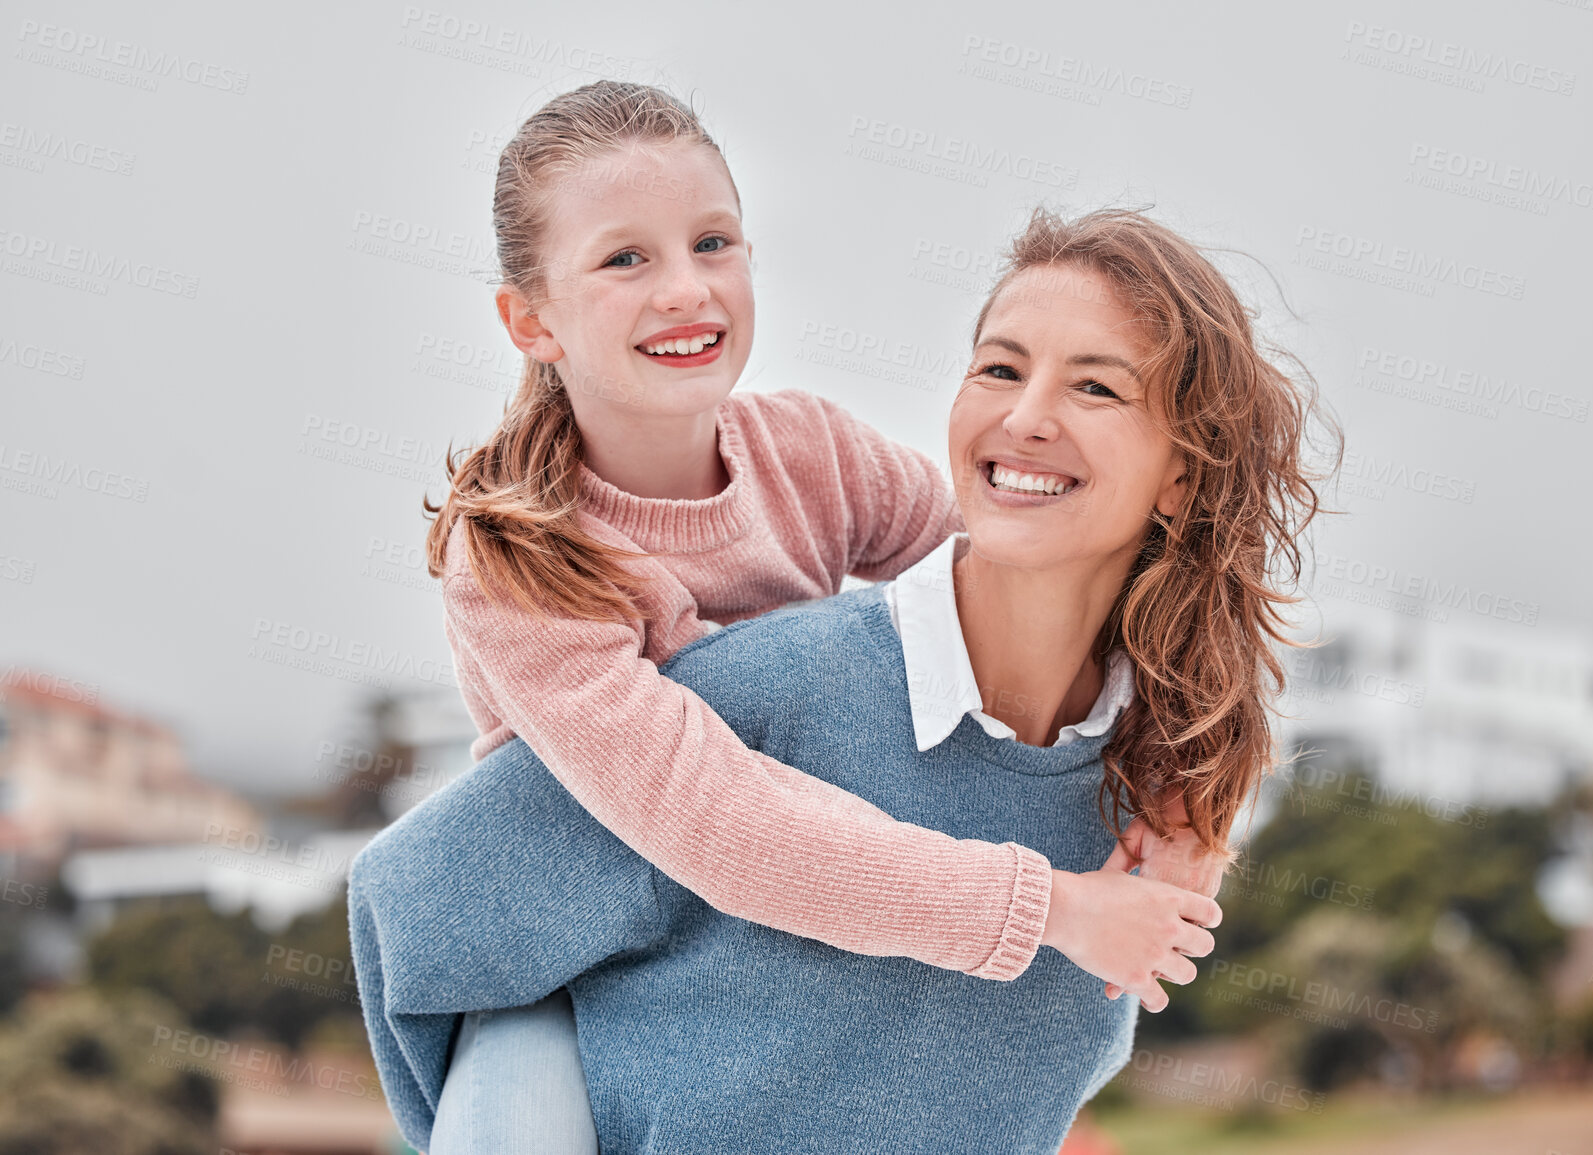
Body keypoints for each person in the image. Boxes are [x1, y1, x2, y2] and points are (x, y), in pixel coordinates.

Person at [351, 81, 1243, 1150]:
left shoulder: (810, 454)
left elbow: (1021, 574)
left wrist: (1185, 809)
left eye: (713, 241)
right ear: (530, 319)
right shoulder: (517, 559)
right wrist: (1052, 907)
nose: (686, 288)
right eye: (625, 259)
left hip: (735, 938)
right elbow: (717, 819)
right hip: (572, 959)